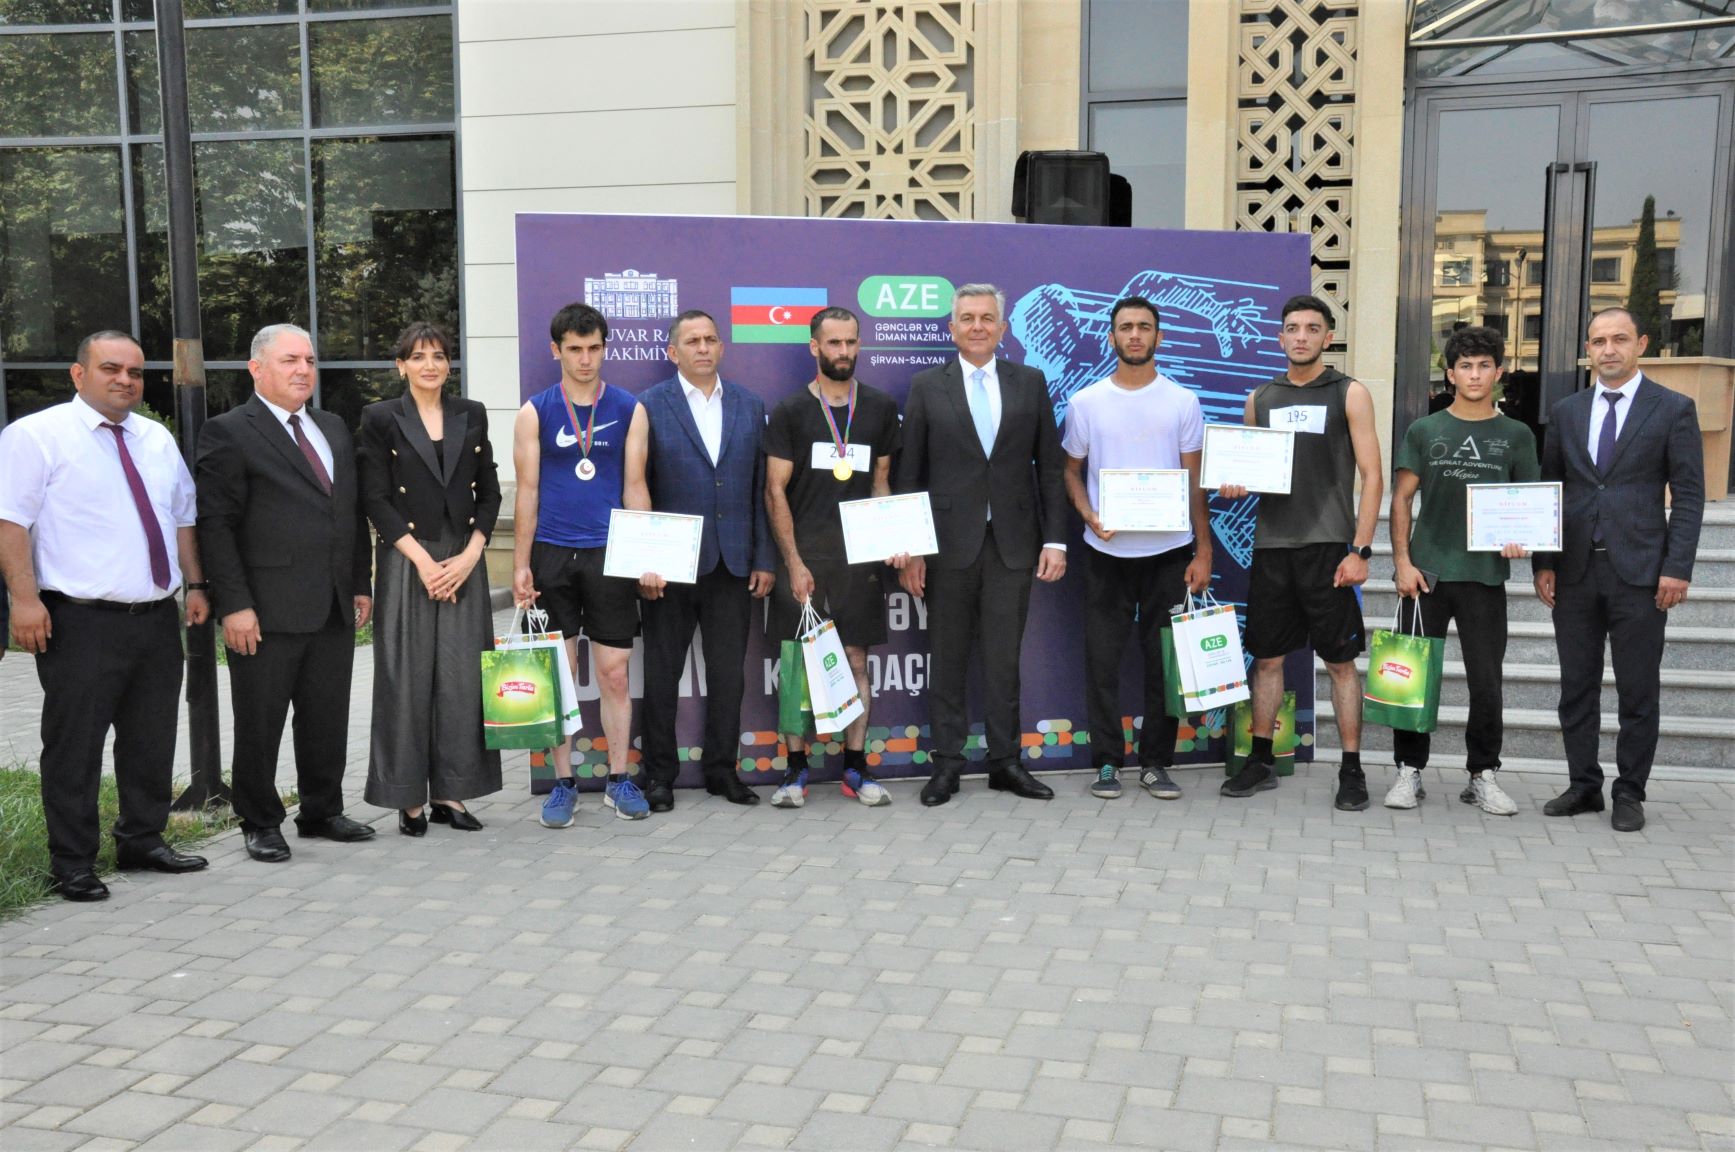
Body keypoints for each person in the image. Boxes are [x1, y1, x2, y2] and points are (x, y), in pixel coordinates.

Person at [0, 331, 211, 901]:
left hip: (155, 617)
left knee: (150, 739)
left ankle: (142, 839)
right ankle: (72, 862)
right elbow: (10, 522)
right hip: (79, 621)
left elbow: (182, 518)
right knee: (75, 746)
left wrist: (195, 584)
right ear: (79, 374)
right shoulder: (35, 436)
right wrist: (24, 599)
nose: (125, 380)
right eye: (110, 369)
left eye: (135, 372)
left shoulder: (155, 439)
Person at [196, 323, 375, 862]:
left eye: (310, 361)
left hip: (333, 605)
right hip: (264, 610)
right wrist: (234, 605)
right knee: (260, 721)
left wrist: (360, 583)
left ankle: (321, 810)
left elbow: (349, 511)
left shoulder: (332, 426)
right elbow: (216, 526)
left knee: (326, 717)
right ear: (257, 369)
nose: (303, 370)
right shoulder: (229, 431)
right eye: (290, 360)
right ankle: (259, 820)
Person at [894, 283, 1069, 807]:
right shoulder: (927, 386)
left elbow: (1050, 468)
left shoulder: (1029, 382)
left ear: (1002, 327)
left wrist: (1055, 540)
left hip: (1013, 544)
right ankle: (947, 764)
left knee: (1003, 661)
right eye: (967, 318)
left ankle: (1005, 762)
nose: (977, 326)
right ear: (952, 328)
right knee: (947, 659)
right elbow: (910, 472)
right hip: (946, 546)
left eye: (987, 318)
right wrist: (911, 548)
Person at [1534, 307, 1704, 833]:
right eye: (1598, 341)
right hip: (1576, 571)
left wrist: (1677, 567)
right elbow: (1551, 489)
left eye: (1619, 339)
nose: (1608, 349)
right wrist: (1544, 561)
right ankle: (1584, 785)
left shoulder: (1673, 408)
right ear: (1588, 349)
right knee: (1576, 688)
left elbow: (1690, 495)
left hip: (1642, 574)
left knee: (1638, 691)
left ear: (1641, 344)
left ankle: (1630, 791)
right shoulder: (1566, 411)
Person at [1218, 294, 1383, 810]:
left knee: (1340, 663)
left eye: (1313, 328)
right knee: (1267, 660)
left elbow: (1373, 475)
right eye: (1293, 328)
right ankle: (1260, 760)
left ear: (1328, 337)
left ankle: (1351, 769)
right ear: (1280, 337)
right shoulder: (1260, 398)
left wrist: (1361, 549)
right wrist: (1235, 483)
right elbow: (1251, 467)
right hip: (1273, 547)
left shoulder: (1350, 392)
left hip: (1330, 549)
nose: (1302, 336)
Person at [1061, 297, 1212, 802]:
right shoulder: (1086, 402)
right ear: (1111, 337)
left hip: (1170, 552)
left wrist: (1203, 551)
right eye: (1125, 327)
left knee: (1162, 663)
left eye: (1144, 327)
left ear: (1158, 337)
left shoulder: (1182, 401)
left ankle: (1155, 763)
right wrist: (1089, 514)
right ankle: (1107, 762)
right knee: (1102, 663)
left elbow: (1195, 481)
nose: (1134, 335)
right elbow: (1070, 471)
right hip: (1105, 553)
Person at [624, 309, 775, 811]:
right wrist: (644, 562)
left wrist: (764, 557)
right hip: (669, 569)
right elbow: (636, 485)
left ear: (722, 347)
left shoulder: (750, 405)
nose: (704, 347)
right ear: (673, 352)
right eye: (693, 341)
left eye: (711, 339)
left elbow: (761, 490)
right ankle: (659, 776)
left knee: (729, 675)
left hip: (733, 564)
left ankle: (722, 771)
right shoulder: (648, 405)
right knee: (661, 676)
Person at [357, 322, 502, 836]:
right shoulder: (380, 418)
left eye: (438, 356)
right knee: (406, 678)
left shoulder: (472, 413)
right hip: (407, 558)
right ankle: (407, 799)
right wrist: (422, 561)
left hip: (464, 558)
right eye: (418, 357)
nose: (430, 365)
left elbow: (490, 492)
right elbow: (375, 498)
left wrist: (470, 555)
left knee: (462, 679)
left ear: (449, 364)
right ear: (401, 366)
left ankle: (450, 793)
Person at [1386, 325, 1537, 815]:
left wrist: (1522, 539)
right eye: (1465, 366)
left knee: (1486, 683)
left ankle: (1482, 775)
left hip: (1484, 577)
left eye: (1484, 366)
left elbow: (1528, 505)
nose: (1475, 374)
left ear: (1499, 372)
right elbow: (1402, 499)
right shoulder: (1424, 430)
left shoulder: (1517, 436)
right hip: (1425, 576)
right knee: (1412, 677)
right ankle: (1409, 771)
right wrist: (1402, 562)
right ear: (1450, 374)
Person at [513, 303, 647, 827]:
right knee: (561, 675)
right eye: (575, 349)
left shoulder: (629, 408)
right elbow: (527, 492)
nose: (585, 359)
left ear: (604, 348)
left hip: (611, 555)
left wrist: (645, 557)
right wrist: (520, 565)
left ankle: (618, 779)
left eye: (594, 348)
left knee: (614, 674)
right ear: (556, 351)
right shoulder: (535, 412)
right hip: (551, 554)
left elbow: (635, 486)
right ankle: (564, 782)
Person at [763, 307, 903, 808]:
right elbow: (775, 491)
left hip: (859, 563)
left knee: (857, 660)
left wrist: (892, 536)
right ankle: (795, 770)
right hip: (805, 559)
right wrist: (793, 562)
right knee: (797, 666)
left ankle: (855, 768)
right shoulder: (790, 411)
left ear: (859, 345)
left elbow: (881, 481)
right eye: (833, 343)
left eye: (850, 342)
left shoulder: (880, 407)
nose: (843, 352)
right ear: (814, 347)